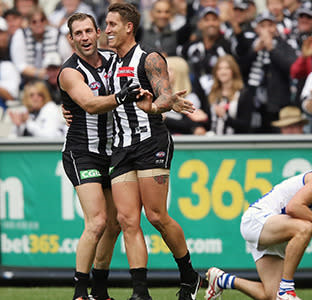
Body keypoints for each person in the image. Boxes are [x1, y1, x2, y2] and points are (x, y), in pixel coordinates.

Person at [104, 3, 199, 300]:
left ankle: (189, 275)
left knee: (156, 215)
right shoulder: (107, 62)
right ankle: (140, 292)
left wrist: (156, 105)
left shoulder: (149, 57)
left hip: (151, 142)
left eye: (111, 24)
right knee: (127, 219)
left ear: (128, 27)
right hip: (121, 146)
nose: (106, 30)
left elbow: (166, 93)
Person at [58, 12, 146, 300]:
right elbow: (90, 104)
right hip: (82, 152)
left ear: (97, 32)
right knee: (96, 221)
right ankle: (80, 291)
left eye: (88, 31)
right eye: (77, 34)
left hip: (113, 151)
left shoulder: (113, 61)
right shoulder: (70, 72)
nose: (84, 37)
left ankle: (99, 288)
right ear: (71, 39)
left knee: (115, 223)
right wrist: (123, 96)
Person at [205, 164, 312, 300]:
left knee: (269, 296)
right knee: (305, 227)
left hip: (277, 231)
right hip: (258, 219)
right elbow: (293, 207)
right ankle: (287, 288)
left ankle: (221, 279)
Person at [9, 6, 72, 81]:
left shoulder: (57, 34)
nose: (38, 24)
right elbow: (20, 65)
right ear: (29, 23)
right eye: (34, 21)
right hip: (28, 80)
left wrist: (54, 73)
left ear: (46, 21)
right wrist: (39, 73)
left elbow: (67, 59)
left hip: (56, 79)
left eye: (42, 20)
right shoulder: (20, 35)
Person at [207, 54, 253, 135]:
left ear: (233, 71)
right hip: (213, 141)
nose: (223, 72)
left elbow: (246, 125)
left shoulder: (243, 94)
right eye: (220, 69)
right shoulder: (212, 93)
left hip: (234, 143)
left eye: (227, 68)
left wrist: (225, 117)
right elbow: (209, 121)